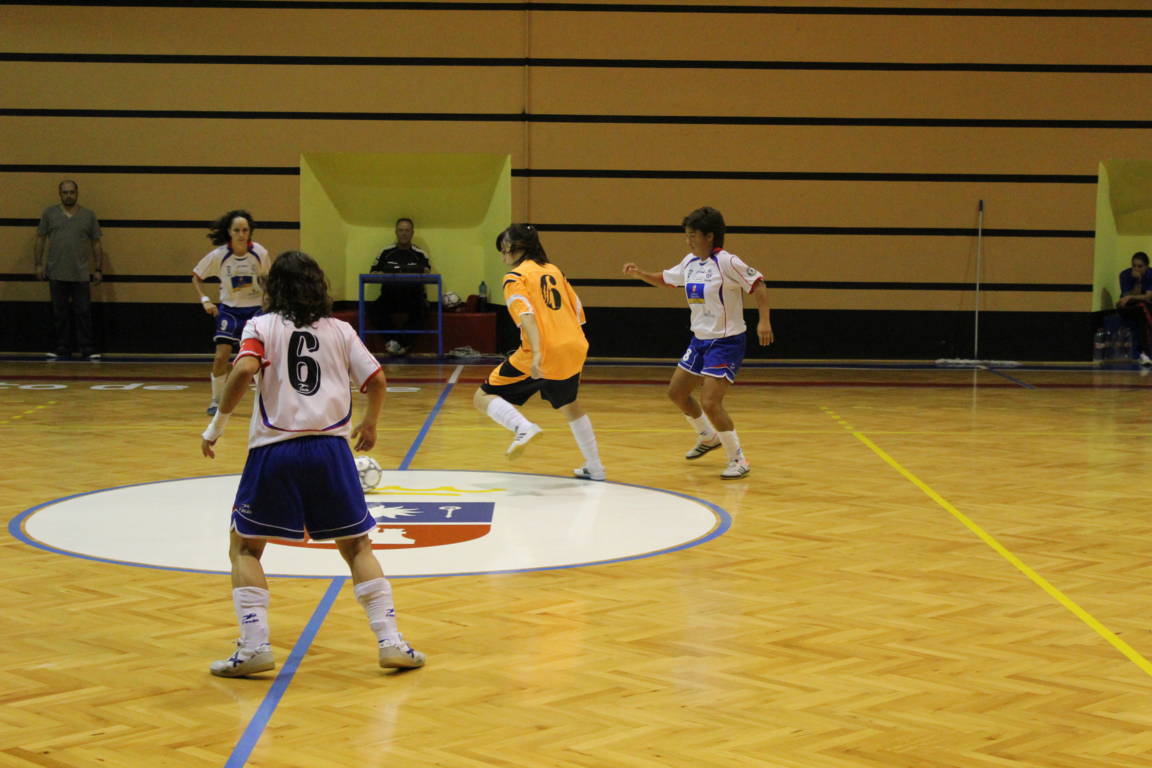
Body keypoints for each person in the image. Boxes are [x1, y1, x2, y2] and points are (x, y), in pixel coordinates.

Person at [200, 250, 425, 676]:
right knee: (357, 547)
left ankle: (254, 647)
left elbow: (243, 371)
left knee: (245, 547)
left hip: (275, 451)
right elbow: (377, 380)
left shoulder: (260, 325)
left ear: (274, 288)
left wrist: (216, 427)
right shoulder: (340, 330)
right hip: (331, 451)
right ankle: (391, 642)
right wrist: (370, 423)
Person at [623, 206, 773, 480]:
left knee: (711, 402)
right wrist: (641, 274)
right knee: (677, 393)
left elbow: (759, 285)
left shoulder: (727, 262)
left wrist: (764, 321)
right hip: (700, 340)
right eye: (687, 235)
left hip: (726, 342)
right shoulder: (690, 262)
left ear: (709, 236)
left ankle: (738, 459)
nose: (688, 241)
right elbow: (667, 279)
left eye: (693, 235)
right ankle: (707, 436)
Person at [473, 224, 606, 481]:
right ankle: (596, 467)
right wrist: (570, 345)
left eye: (503, 249)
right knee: (569, 404)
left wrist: (536, 353)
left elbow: (526, 315)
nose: (502, 256)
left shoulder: (515, 277)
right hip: (575, 344)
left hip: (542, 349)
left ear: (514, 248)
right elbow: (578, 311)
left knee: (482, 396)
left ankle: (523, 427)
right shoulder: (554, 270)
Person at [192, 210, 270, 415]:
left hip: (256, 311)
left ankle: (267, 400)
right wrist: (205, 300)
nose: (241, 234)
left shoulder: (260, 253)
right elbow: (196, 276)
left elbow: (266, 279)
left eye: (245, 230)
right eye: (237, 230)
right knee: (221, 356)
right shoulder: (219, 255)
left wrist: (270, 301)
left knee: (262, 358)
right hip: (229, 311)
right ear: (229, 231)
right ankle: (216, 401)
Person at [34, 180, 106, 360]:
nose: (68, 196)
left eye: (72, 192)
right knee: (60, 313)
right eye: (65, 192)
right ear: (59, 194)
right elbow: (40, 239)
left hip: (80, 273)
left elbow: (96, 243)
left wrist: (98, 268)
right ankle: (62, 348)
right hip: (56, 272)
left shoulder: (88, 215)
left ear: (77, 193)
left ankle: (86, 348)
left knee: (83, 312)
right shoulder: (49, 213)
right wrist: (38, 264)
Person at [370, 217, 432, 356]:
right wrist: (388, 273)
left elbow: (427, 273)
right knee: (373, 310)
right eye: (401, 230)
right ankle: (398, 342)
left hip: (413, 297)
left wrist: (400, 272)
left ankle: (398, 343)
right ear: (396, 232)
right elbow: (373, 273)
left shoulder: (420, 254)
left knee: (424, 310)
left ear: (412, 233)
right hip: (390, 297)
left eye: (407, 230)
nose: (404, 233)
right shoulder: (385, 252)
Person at [1116, 251, 1152, 366]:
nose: (1136, 269)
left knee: (1143, 310)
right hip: (1128, 308)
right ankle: (1145, 353)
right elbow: (1126, 300)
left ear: (1146, 266)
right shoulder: (1125, 275)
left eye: (1140, 266)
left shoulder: (1150, 275)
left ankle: (1144, 353)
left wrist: (1131, 296)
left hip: (1145, 307)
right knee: (1142, 307)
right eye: (1134, 266)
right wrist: (1137, 281)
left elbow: (1148, 296)